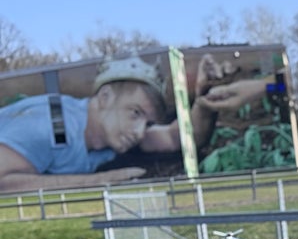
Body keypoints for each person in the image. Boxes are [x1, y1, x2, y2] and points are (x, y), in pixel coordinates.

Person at [0, 54, 263, 192]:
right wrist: (100, 181)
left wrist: (204, 102)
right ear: (105, 97)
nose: (139, 132)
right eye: (135, 113)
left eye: (147, 122)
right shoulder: (47, 124)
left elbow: (178, 138)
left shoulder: (111, 131)